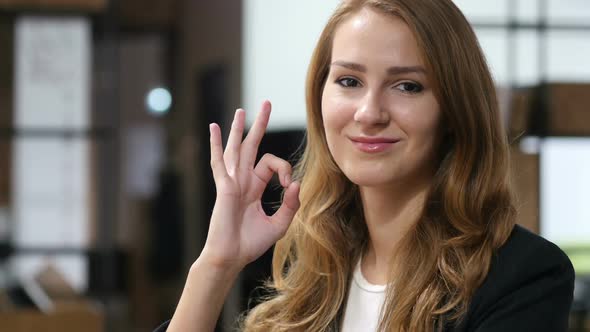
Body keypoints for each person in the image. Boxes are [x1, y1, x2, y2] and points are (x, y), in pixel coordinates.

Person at [155, 0, 575, 331]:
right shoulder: (307, 268)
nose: (369, 112)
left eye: (407, 86)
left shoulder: (526, 277)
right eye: (349, 81)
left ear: (454, 111)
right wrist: (216, 263)